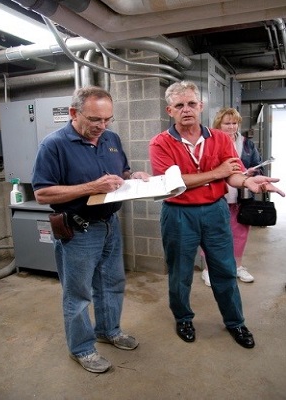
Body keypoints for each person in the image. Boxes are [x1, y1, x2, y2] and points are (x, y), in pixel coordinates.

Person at [149, 80, 285, 349]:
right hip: (178, 214)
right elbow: (173, 183)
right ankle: (183, 318)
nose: (186, 109)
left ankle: (235, 322)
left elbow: (232, 174)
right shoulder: (160, 144)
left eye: (191, 103)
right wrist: (217, 173)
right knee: (180, 272)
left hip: (215, 211)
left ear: (200, 106)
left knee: (225, 269)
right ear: (170, 111)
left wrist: (246, 182)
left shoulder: (221, 139)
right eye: (179, 105)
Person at [32, 86, 149, 374]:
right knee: (78, 294)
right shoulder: (54, 145)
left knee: (112, 283)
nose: (102, 126)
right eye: (95, 119)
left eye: (108, 119)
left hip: (110, 225)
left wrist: (133, 175)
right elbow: (43, 193)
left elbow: (120, 173)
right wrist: (92, 187)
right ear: (74, 113)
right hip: (79, 229)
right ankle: (82, 348)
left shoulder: (111, 138)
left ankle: (109, 330)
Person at [201, 107, 263, 287]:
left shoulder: (247, 144)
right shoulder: (209, 142)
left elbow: (258, 165)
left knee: (240, 233)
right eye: (227, 123)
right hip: (217, 196)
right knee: (211, 234)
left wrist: (252, 172)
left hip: (241, 197)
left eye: (234, 123)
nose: (231, 127)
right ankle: (208, 270)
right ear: (218, 124)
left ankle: (237, 266)